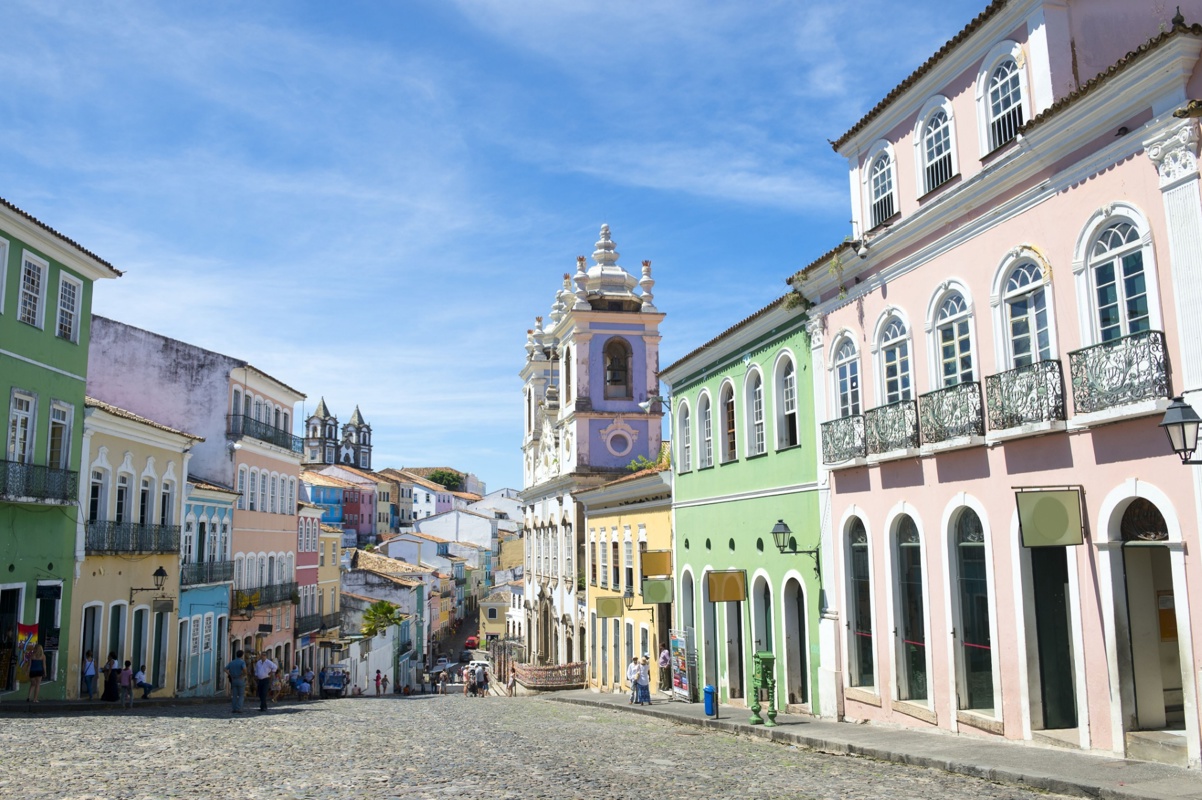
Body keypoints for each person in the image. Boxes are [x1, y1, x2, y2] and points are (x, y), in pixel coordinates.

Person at [225, 649, 248, 713]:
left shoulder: (232, 662)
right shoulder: (242, 662)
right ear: (242, 655)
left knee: (234, 695)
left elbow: (225, 669)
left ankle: (234, 708)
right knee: (241, 695)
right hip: (240, 679)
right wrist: (244, 674)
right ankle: (238, 708)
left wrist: (230, 674)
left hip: (233, 679)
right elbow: (244, 670)